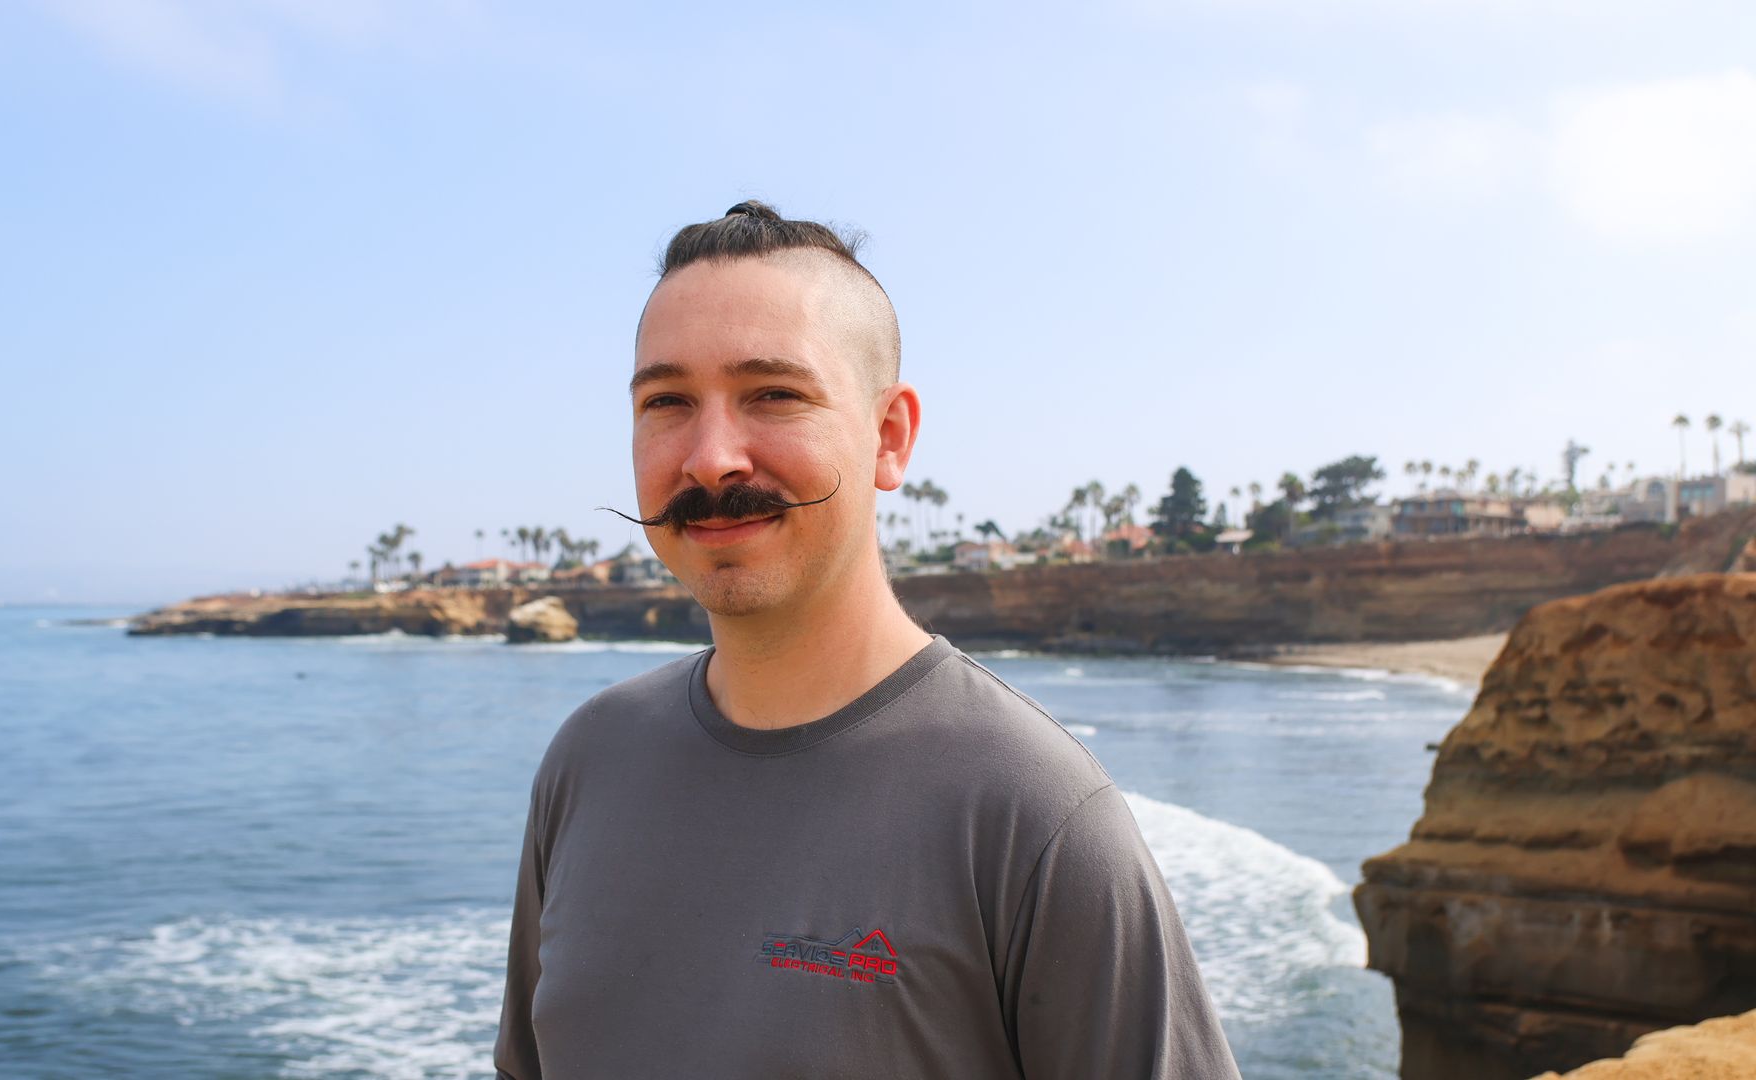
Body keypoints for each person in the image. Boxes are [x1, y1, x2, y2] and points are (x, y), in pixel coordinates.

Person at [491, 201, 1241, 1079]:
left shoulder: (1031, 814)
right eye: (668, 401)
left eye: (773, 394)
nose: (709, 458)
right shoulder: (589, 760)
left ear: (890, 437)